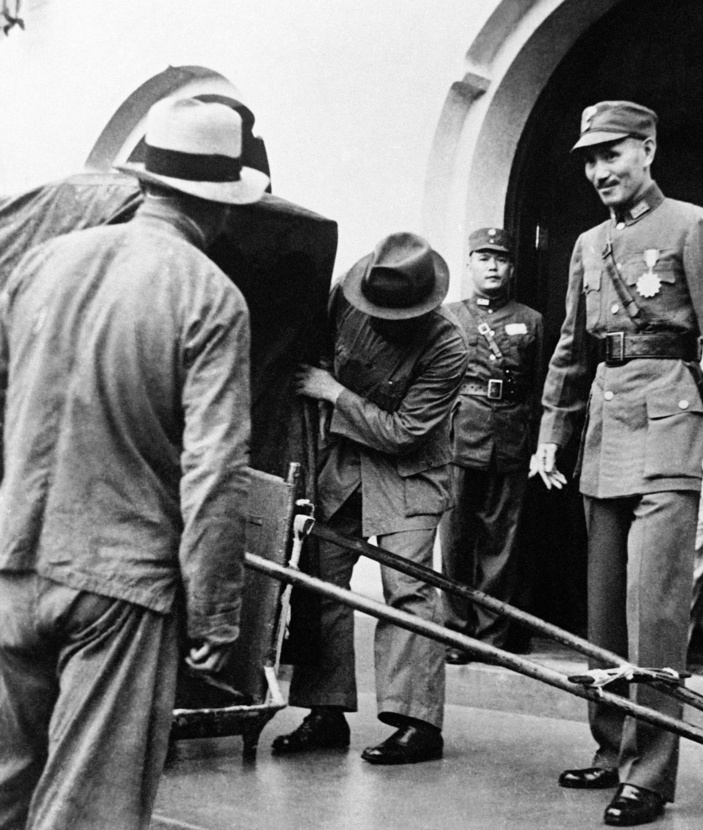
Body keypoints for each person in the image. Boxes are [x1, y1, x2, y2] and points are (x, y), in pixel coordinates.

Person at [0, 96, 261, 829]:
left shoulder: (39, 264)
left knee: (5, 788)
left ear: (144, 181)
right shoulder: (210, 295)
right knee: (90, 807)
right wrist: (215, 612)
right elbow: (214, 474)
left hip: (13, 563)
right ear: (224, 207)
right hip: (123, 585)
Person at [531, 100, 703, 827]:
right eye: (590, 159)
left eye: (613, 154)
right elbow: (572, 346)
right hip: (604, 426)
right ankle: (611, 747)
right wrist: (551, 431)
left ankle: (651, 774)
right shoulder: (588, 243)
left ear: (648, 148)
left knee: (653, 608)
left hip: (669, 423)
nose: (600, 170)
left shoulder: (692, 226)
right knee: (602, 608)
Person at [276, 232, 468, 765]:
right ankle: (324, 711)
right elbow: (314, 352)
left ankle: (417, 723)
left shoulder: (450, 345)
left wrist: (333, 392)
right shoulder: (348, 295)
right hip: (343, 465)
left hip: (409, 472)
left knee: (408, 590)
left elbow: (406, 432)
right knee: (321, 584)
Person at [439, 227, 544, 664]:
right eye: (483, 258)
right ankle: (456, 633)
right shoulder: (448, 316)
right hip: (460, 435)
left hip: (510, 436)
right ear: (469, 264)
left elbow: (539, 388)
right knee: (457, 539)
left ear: (512, 267)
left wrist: (540, 443)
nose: (493, 266)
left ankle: (491, 637)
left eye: (500, 259)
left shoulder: (531, 320)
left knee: (501, 541)